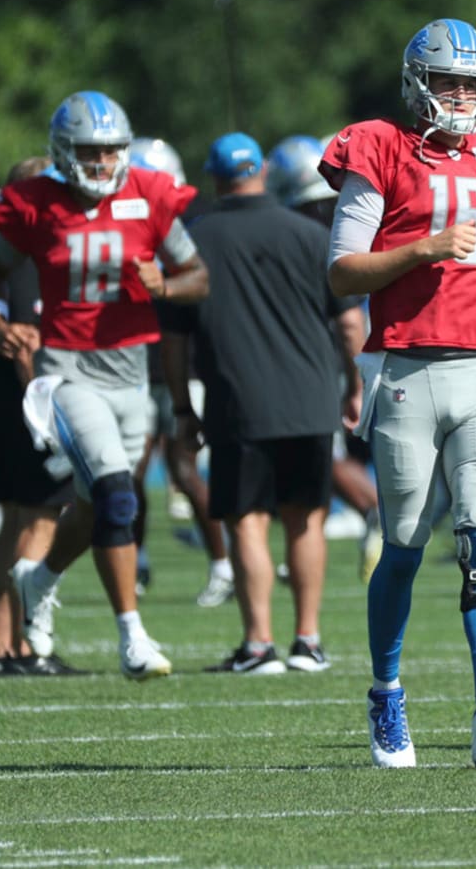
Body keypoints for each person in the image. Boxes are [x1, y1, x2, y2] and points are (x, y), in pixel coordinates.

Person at [319, 17, 476, 769]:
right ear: (417, 81)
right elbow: (343, 271)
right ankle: (386, 691)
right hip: (407, 370)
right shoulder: (377, 145)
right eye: (447, 80)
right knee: (405, 545)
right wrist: (418, 249)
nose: (461, 94)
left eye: (472, 83)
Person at [0, 90, 210, 680]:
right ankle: (132, 635)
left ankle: (40, 576)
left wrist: (164, 286)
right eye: (91, 152)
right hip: (66, 371)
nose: (103, 164)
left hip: (130, 373)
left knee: (94, 505)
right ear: (63, 151)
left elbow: (198, 277)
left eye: (112, 152)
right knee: (119, 496)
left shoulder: (149, 193)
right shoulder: (37, 202)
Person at [159, 132, 338, 675]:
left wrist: (181, 410)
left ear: (212, 175)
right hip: (311, 397)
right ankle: (307, 641)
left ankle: (259, 644)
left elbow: (174, 342)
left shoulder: (193, 239)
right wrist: (353, 386)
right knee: (306, 520)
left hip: (237, 400)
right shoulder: (310, 233)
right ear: (262, 170)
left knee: (248, 523)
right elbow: (349, 321)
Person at [0, 155, 92, 676]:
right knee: (40, 519)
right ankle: (21, 645)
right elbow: (25, 343)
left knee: (16, 521)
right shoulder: (23, 255)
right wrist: (48, 414)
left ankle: (2, 647)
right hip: (26, 405)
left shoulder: (2, 254)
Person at [265, 134, 381, 583]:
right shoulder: (348, 215)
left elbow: (346, 316)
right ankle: (305, 546)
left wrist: (354, 380)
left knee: (318, 454)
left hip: (320, 353)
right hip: (337, 348)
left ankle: (371, 511)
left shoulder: (304, 234)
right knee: (309, 457)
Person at [125, 136, 234, 607]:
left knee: (185, 467)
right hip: (132, 361)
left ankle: (222, 565)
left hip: (180, 361)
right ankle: (137, 560)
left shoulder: (188, 226)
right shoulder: (122, 221)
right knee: (130, 469)